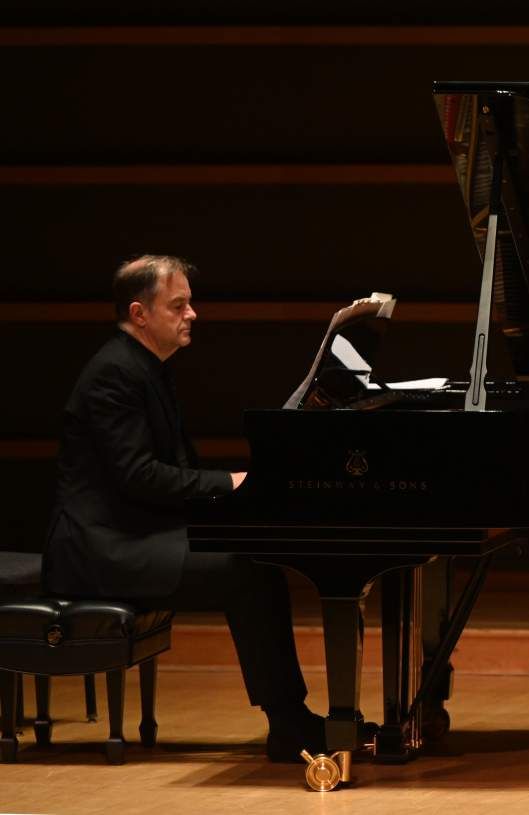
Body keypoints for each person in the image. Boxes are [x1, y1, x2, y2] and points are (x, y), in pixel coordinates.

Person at [43, 255, 325, 761]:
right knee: (247, 570)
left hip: (132, 533)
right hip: (102, 547)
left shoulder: (145, 368)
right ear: (140, 313)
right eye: (178, 305)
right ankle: (289, 723)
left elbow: (167, 470)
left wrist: (239, 493)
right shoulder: (116, 374)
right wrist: (231, 483)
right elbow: (139, 476)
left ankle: (290, 719)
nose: (192, 313)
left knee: (252, 560)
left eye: (189, 303)